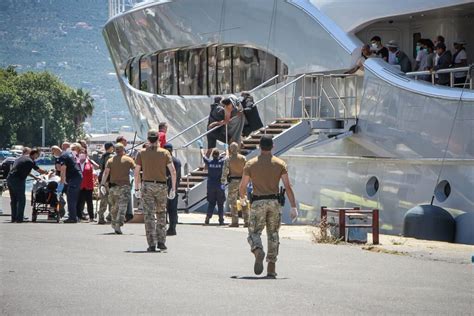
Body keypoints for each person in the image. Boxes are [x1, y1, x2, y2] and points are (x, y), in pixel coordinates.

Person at [239, 135, 298, 278]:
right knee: (273, 235)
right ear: (273, 146)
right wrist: (293, 206)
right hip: (274, 202)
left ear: (259, 146)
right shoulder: (280, 164)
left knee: (254, 232)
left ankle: (258, 250)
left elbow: (243, 186)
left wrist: (242, 199)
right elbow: (288, 186)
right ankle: (271, 268)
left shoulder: (250, 164)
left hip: (258, 202)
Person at [134, 130, 176, 252]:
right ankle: (161, 241)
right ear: (158, 139)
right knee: (161, 213)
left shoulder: (141, 153)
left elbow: (137, 172)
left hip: (147, 186)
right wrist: (173, 188)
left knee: (149, 215)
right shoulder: (165, 153)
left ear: (148, 139)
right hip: (161, 186)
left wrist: (136, 188)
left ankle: (151, 243)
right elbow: (173, 171)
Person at [100, 143, 135, 234]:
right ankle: (118, 224)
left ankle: (114, 222)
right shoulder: (129, 159)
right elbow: (136, 171)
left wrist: (103, 184)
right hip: (125, 187)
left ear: (115, 150)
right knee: (122, 207)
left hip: (113, 187)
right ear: (123, 149)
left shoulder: (110, 160)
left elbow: (106, 173)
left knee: (114, 206)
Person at [7, 148, 46, 223]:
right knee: (21, 199)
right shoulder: (31, 161)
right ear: (34, 154)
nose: (38, 157)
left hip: (10, 178)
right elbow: (39, 170)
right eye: (38, 155)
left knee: (14, 199)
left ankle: (14, 218)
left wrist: (34, 177)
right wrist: (47, 172)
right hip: (18, 180)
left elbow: (23, 170)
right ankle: (19, 219)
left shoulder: (21, 158)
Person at [221, 142, 247, 227]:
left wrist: (222, 181)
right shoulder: (243, 158)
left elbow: (225, 171)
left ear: (231, 149)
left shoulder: (228, 159)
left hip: (233, 181)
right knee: (243, 200)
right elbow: (247, 170)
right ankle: (247, 221)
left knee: (233, 202)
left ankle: (235, 221)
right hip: (242, 181)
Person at [58, 143, 83, 223]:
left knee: (71, 198)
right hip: (76, 177)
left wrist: (61, 182)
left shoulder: (63, 156)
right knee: (73, 197)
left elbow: (63, 169)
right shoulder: (68, 154)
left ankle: (72, 217)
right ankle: (73, 216)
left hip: (74, 178)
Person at [202, 148, 226, 225]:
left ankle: (208, 218)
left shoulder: (209, 162)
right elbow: (228, 156)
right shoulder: (221, 162)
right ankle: (221, 220)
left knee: (211, 202)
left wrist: (201, 148)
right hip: (219, 185)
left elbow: (203, 156)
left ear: (212, 155)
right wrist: (227, 149)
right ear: (218, 155)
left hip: (211, 186)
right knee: (220, 203)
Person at [163, 143, 181, 236]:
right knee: (173, 209)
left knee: (162, 209)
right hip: (174, 188)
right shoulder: (177, 161)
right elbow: (179, 177)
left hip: (163, 187)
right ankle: (172, 228)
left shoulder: (162, 161)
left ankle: (162, 228)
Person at [116, 135, 134, 222]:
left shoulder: (126, 155)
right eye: (125, 140)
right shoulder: (115, 156)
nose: (126, 141)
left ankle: (127, 214)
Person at [97, 142, 114, 224]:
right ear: (110, 147)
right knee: (109, 199)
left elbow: (100, 167)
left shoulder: (102, 156)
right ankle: (109, 216)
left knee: (103, 199)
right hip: (108, 180)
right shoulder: (110, 157)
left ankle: (101, 216)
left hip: (102, 179)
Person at [77, 148, 95, 222]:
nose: (82, 154)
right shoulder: (76, 163)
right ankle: (79, 217)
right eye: (80, 153)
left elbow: (97, 168)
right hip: (79, 185)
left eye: (83, 153)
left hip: (88, 185)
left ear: (86, 154)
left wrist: (90, 160)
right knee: (80, 202)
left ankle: (91, 217)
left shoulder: (89, 162)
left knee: (89, 202)